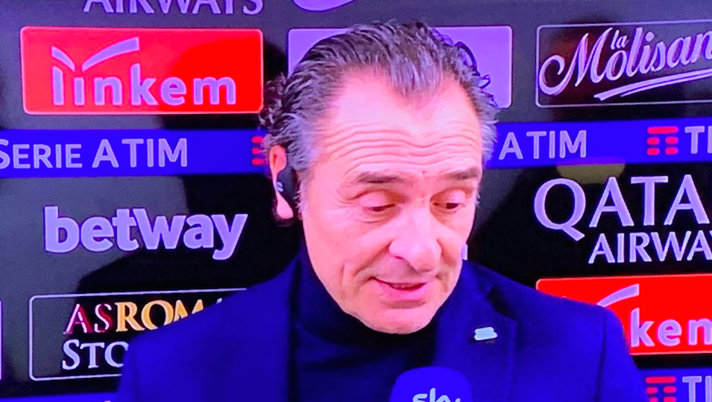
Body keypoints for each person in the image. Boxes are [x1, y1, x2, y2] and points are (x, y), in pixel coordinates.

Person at [116, 21, 648, 402]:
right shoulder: (170, 373)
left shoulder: (583, 354)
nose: (422, 252)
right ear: (286, 181)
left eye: (451, 203)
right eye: (377, 204)